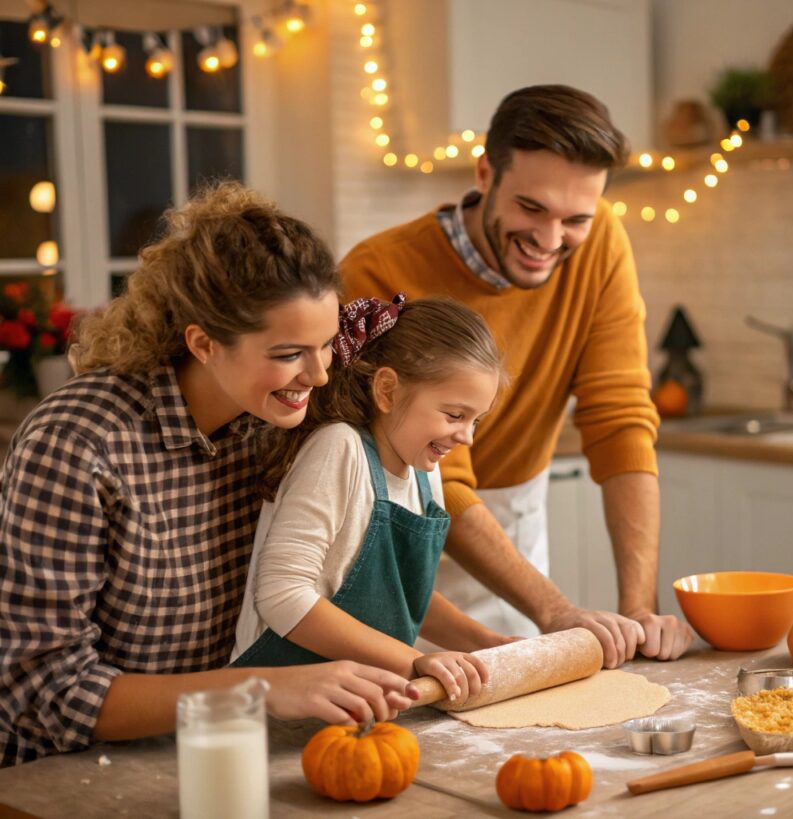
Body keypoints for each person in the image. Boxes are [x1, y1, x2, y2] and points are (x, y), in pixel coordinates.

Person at [0, 183, 417, 768]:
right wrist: (260, 689)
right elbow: (46, 691)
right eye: (289, 352)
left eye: (325, 346)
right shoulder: (77, 442)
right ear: (203, 342)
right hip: (56, 775)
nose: (319, 376)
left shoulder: (275, 423)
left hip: (201, 748)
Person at [340, 84, 694, 668]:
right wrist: (555, 611)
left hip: (511, 536)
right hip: (399, 535)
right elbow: (438, 476)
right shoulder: (379, 271)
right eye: (532, 209)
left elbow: (619, 417)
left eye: (575, 219)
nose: (550, 242)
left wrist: (637, 610)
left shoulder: (601, 240)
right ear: (485, 174)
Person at [232, 295, 513, 704]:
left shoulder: (425, 473)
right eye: (454, 415)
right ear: (387, 390)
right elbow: (281, 595)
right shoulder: (338, 449)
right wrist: (413, 659)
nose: (467, 437)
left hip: (357, 702)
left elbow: (401, 595)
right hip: (274, 705)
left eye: (476, 420)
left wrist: (485, 643)